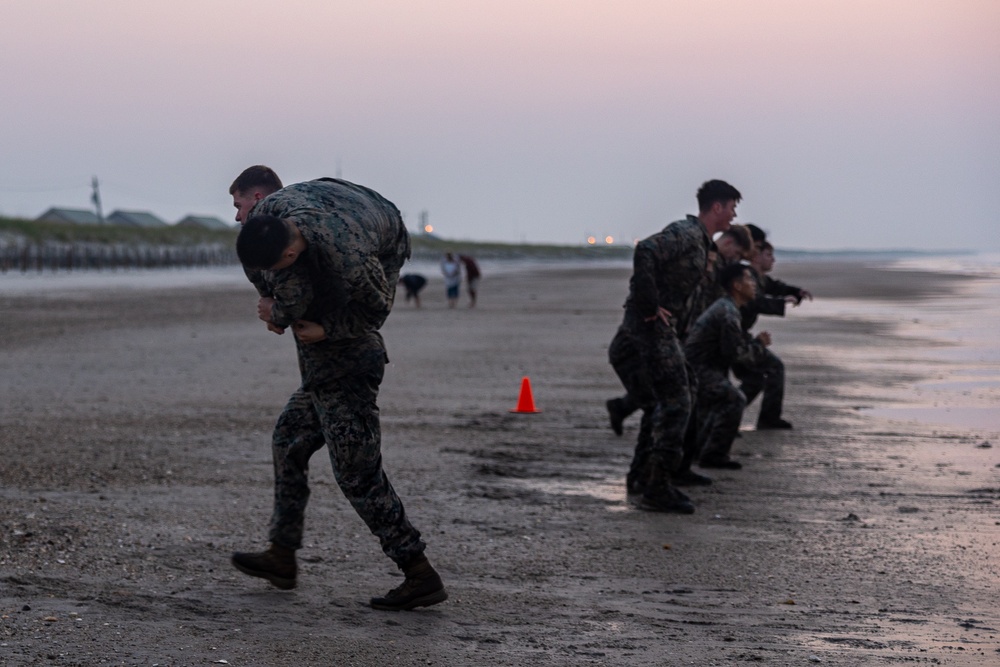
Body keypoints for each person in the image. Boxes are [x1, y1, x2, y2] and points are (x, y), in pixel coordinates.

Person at [231, 173, 448, 612]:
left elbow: (375, 310)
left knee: (357, 475)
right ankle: (281, 555)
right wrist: (279, 310)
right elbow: (277, 297)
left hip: (349, 365)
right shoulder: (265, 223)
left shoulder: (346, 253)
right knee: (288, 442)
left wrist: (324, 326)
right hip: (322, 373)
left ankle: (419, 572)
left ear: (291, 252)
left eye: (280, 269)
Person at [607, 179, 742, 512]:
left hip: (659, 332)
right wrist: (649, 305)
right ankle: (657, 486)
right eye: (732, 207)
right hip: (650, 330)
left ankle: (644, 477)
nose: (734, 215)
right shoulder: (686, 232)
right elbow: (646, 250)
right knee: (676, 401)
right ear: (717, 207)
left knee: (674, 396)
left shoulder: (701, 243)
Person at [684, 262, 771, 469]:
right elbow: (736, 354)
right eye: (749, 279)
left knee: (714, 403)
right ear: (737, 286)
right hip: (698, 370)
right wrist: (759, 345)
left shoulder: (728, 307)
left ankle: (700, 450)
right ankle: (714, 455)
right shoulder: (727, 312)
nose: (754, 284)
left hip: (702, 368)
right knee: (734, 399)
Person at [735, 240, 812, 430]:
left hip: (739, 335)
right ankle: (757, 419)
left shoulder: (758, 278)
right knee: (771, 368)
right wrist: (781, 302)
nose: (773, 260)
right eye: (768, 255)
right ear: (755, 256)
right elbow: (755, 302)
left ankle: (728, 418)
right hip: (733, 337)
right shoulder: (747, 276)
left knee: (757, 378)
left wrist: (796, 291)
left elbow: (775, 286)